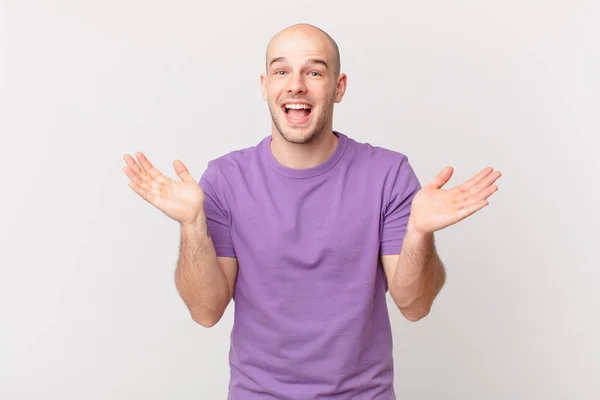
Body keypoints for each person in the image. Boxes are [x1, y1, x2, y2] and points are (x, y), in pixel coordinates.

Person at [122, 23, 501, 400]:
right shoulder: (225, 179)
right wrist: (192, 226)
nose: (296, 85)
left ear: (338, 88)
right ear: (264, 85)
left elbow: (415, 306)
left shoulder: (387, 174)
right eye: (281, 70)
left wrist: (419, 231)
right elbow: (206, 312)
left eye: (314, 71)